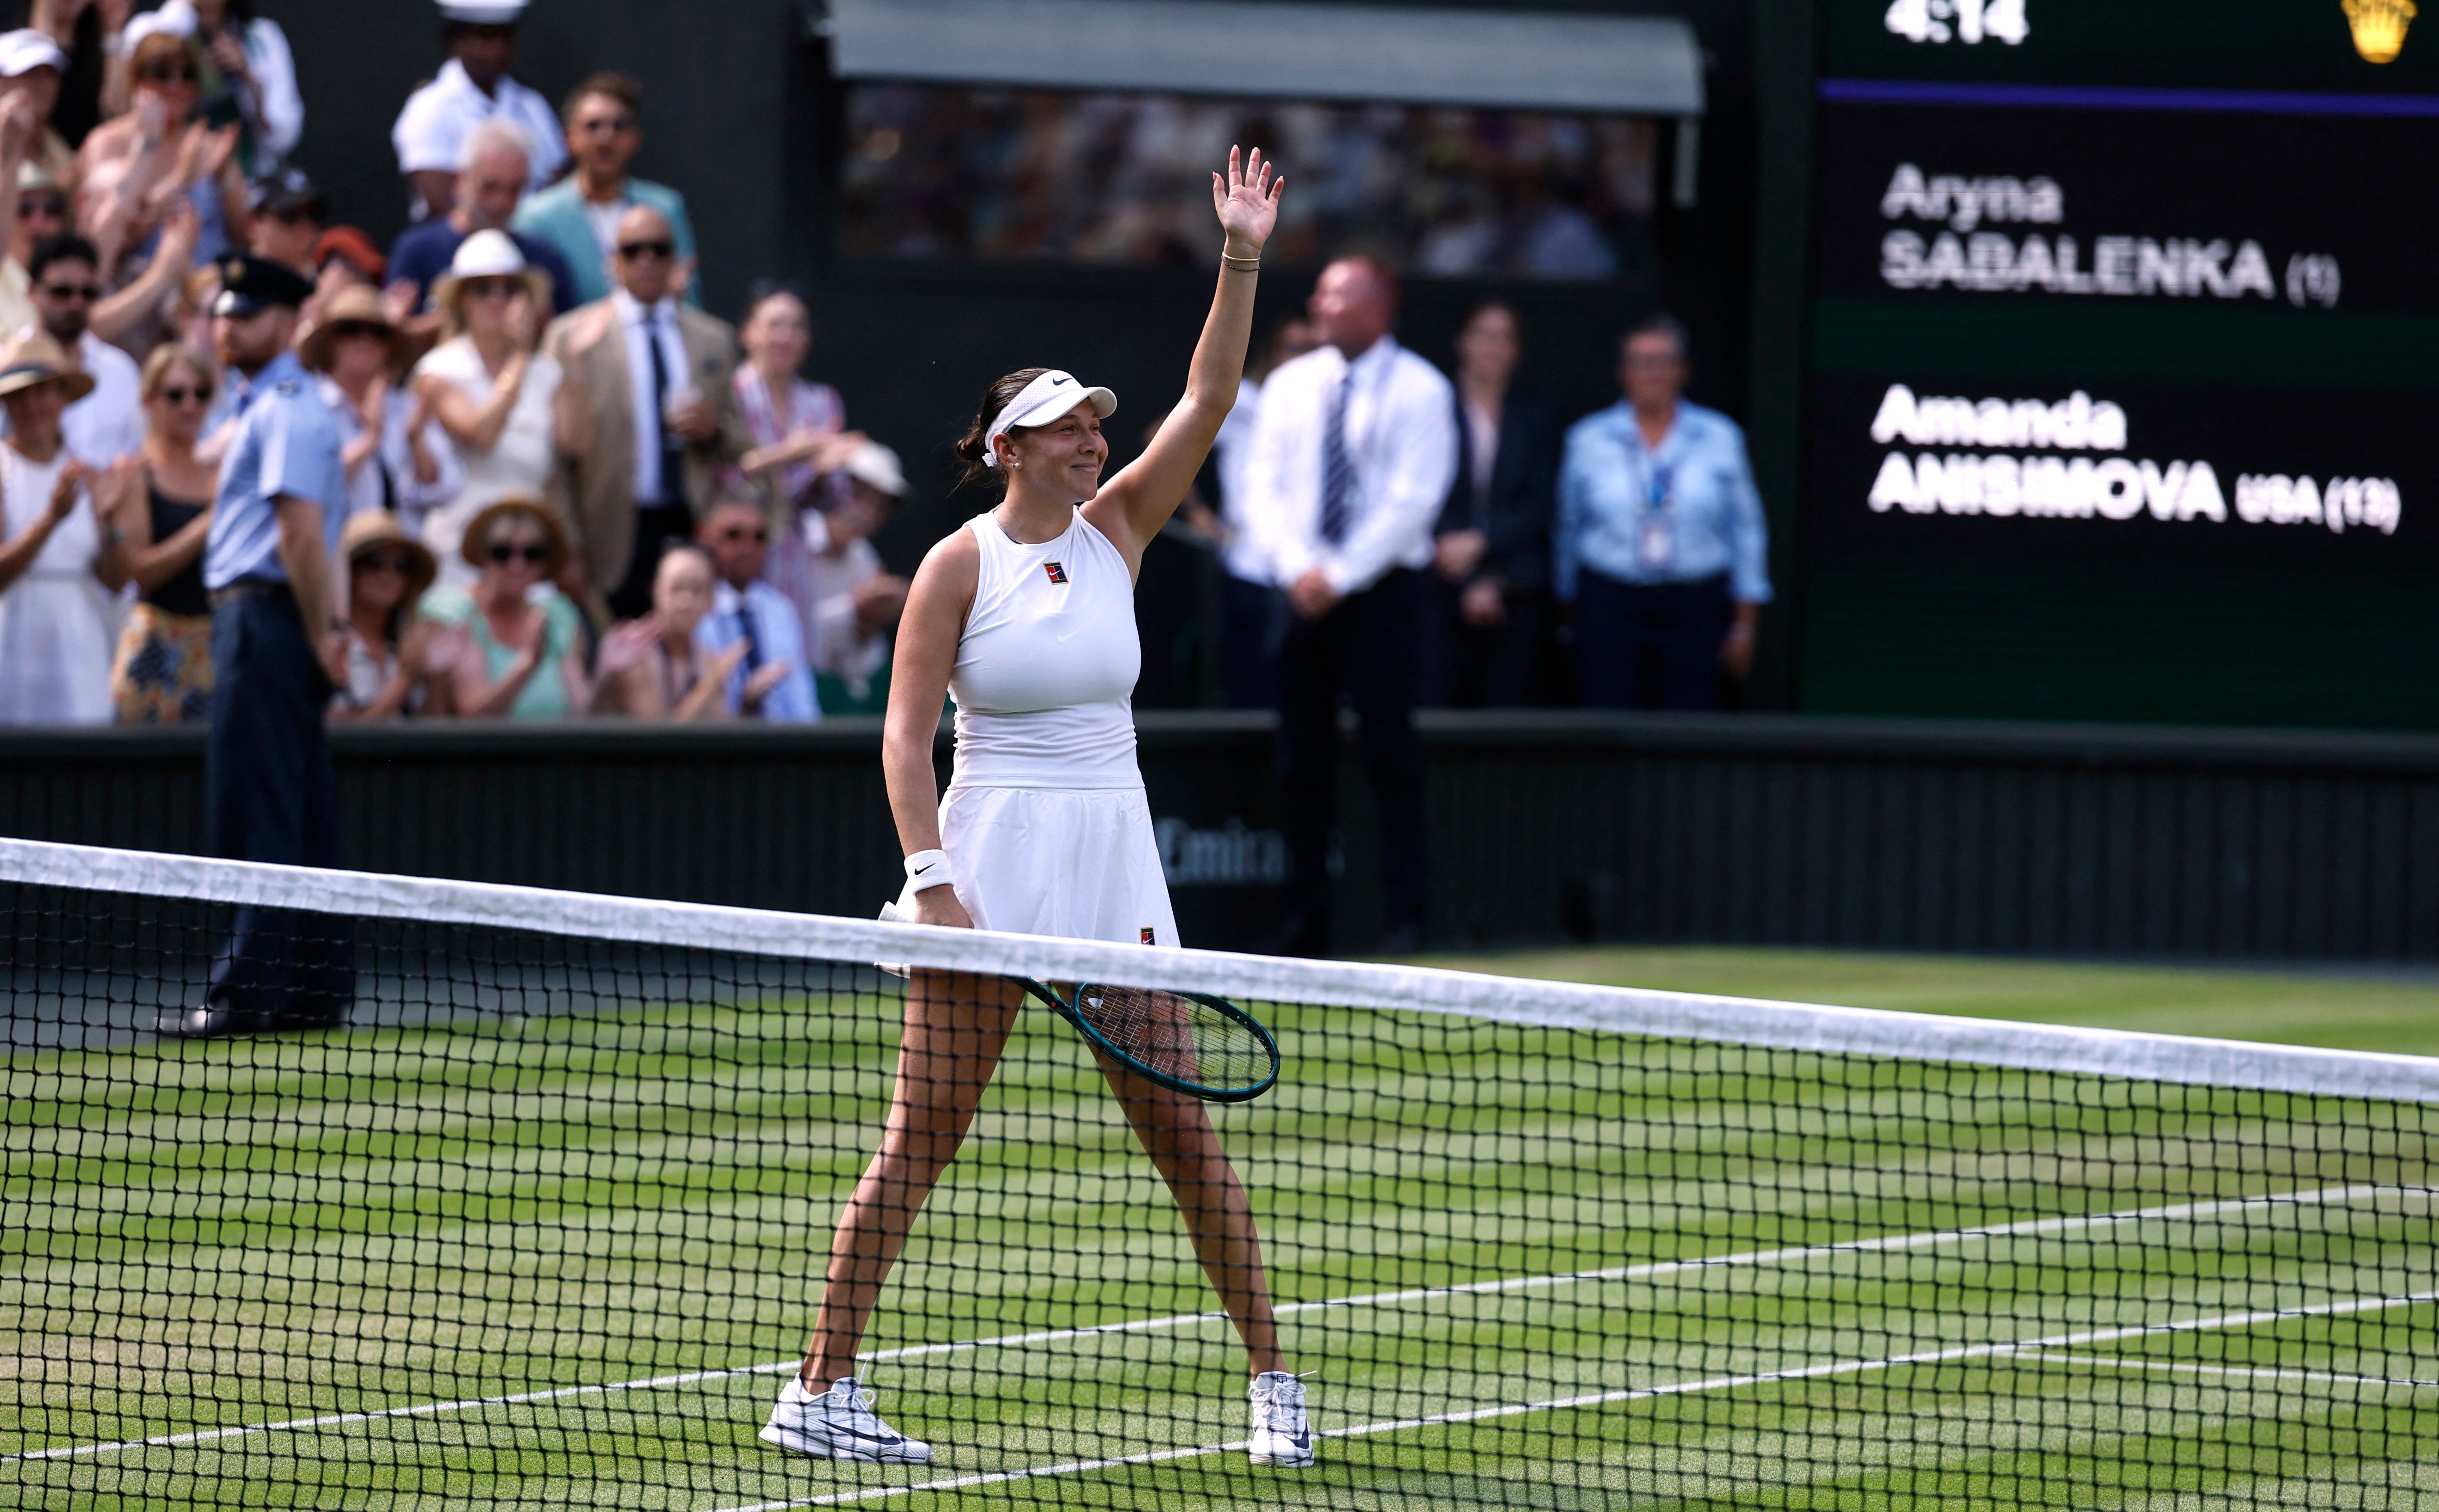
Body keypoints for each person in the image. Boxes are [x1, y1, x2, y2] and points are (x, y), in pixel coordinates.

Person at [763, 148, 1311, 1473]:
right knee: (919, 1142)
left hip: (1111, 867)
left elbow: (1212, 392)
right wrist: (934, 876)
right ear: (1010, 447)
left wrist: (1238, 253)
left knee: (1183, 1137)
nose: (1094, 438)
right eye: (1068, 426)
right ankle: (817, 1391)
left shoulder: (1119, 528)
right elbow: (903, 737)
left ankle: (1275, 1384)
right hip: (985, 864)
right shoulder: (954, 566)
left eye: (1095, 426)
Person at [1241, 254, 1455, 957]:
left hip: (1383, 595)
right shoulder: (1291, 384)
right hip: (1298, 593)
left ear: (1377, 307)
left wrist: (1339, 574)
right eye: (1321, 295)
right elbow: (1262, 485)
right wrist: (1299, 568)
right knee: (1299, 762)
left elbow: (1412, 501)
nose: (1320, 306)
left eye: (1336, 296)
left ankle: (1408, 919)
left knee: (1391, 755)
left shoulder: (1422, 389)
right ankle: (1304, 922)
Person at [163, 254, 352, 1038]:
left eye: (245, 313)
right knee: (296, 807)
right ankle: (309, 986)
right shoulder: (263, 404)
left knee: (259, 810)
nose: (227, 326)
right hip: (273, 620)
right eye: (223, 313)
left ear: (285, 320)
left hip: (267, 619)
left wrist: (324, 633)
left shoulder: (284, 407)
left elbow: (302, 537)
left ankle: (250, 992)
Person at [544, 203, 748, 621]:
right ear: (613, 261)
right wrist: (567, 546)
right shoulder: (572, 337)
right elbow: (555, 456)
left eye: (658, 249)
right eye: (633, 250)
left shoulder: (713, 339)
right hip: (610, 529)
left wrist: (714, 430)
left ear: (675, 258)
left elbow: (742, 442)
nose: (646, 260)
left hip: (691, 522)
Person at [1555, 315, 1770, 710]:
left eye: (1662, 362)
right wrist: (1569, 617)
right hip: (1611, 605)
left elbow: (1747, 530)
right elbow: (1566, 530)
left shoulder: (1720, 437)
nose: (1651, 374)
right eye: (1640, 362)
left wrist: (1744, 627)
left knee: (1690, 731)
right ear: (1623, 372)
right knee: (1606, 725)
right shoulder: (1588, 439)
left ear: (1682, 371)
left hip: (1696, 607)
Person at [408, 230, 578, 587]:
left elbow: (576, 444)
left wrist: (565, 352)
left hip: (529, 556)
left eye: (511, 289)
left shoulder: (548, 372)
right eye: (483, 288)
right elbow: (481, 435)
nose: (497, 299)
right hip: (458, 559)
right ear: (463, 300)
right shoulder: (438, 370)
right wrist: (520, 357)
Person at [1420, 300, 1557, 708]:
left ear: (1517, 349)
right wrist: (1465, 576)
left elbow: (1539, 502)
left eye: (1504, 338)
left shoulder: (1533, 415)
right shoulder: (1431, 407)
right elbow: (1417, 492)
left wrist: (1482, 543)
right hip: (1437, 579)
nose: (1492, 347)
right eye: (1483, 334)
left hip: (1515, 583)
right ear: (1462, 341)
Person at [0, 330, 120, 723]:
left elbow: (114, 579)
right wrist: (53, 518)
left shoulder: (85, 474)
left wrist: (111, 522)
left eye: (42, 392)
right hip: (13, 646)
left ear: (63, 396)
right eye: (18, 395)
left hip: (78, 647)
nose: (31, 405)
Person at [510, 72, 700, 309]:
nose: (606, 138)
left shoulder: (665, 208)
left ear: (636, 137)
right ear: (568, 138)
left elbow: (691, 306)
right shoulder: (535, 219)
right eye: (593, 126)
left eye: (619, 126)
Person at [1202, 314, 1315, 710]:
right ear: (1274, 353)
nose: (1302, 360)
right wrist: (1200, 513)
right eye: (1294, 349)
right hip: (1250, 566)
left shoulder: (1331, 408)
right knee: (1250, 691)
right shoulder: (1244, 400)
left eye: (1312, 351)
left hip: (1311, 574)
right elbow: (1163, 436)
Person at [102, 341, 218, 723]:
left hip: (212, 642)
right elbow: (141, 570)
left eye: (200, 394)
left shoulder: (219, 475)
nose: (190, 406)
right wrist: (209, 522)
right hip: (156, 639)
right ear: (149, 401)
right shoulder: (137, 476)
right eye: (175, 394)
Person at [416, 495, 614, 718]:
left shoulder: (556, 615)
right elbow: (473, 719)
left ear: (544, 564)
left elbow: (581, 709)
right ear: (482, 557)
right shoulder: (454, 613)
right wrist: (527, 665)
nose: (517, 565)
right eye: (502, 553)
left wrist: (608, 675)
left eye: (532, 554)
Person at [77, 29, 246, 273]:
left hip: (208, 282)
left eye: (186, 75)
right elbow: (109, 240)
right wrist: (180, 177)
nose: (176, 86)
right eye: (162, 74)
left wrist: (224, 178)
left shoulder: (209, 145)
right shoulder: (107, 143)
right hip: (137, 285)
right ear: (136, 80)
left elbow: (245, 236)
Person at [300, 283, 460, 541]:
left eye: (378, 333)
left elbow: (448, 489)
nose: (366, 341)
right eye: (352, 330)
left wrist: (416, 442)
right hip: (333, 558)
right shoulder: (306, 406)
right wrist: (369, 441)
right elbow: (308, 489)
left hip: (399, 563)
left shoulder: (407, 407)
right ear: (330, 340)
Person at [383, 119, 576, 322]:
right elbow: (397, 335)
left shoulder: (543, 262)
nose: (501, 202)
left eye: (514, 189)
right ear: (460, 180)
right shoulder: (417, 252)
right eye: (490, 187)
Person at [390, 0, 564, 222]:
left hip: (529, 244)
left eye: (503, 38)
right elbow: (439, 199)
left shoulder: (533, 106)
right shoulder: (429, 107)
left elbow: (555, 185)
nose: (495, 50)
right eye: (484, 38)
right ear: (457, 41)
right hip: (455, 247)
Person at [769, 437, 906, 716]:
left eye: (879, 504)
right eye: (859, 495)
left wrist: (868, 621)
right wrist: (855, 612)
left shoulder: (863, 556)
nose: (867, 513)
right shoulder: (788, 544)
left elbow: (867, 661)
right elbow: (786, 636)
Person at [727, 279, 854, 516]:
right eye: (775, 325)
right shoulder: (729, 394)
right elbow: (720, 480)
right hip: (742, 543)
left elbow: (836, 498)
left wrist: (828, 470)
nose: (786, 338)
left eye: (797, 327)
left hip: (800, 547)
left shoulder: (823, 400)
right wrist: (788, 454)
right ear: (747, 334)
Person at [692, 495, 818, 721]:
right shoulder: (693, 610)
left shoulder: (781, 610)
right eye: (733, 535)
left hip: (786, 748)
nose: (747, 548)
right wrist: (745, 702)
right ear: (707, 537)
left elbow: (804, 704)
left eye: (759, 537)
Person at [25, 231, 141, 466]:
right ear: (32, 293)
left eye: (88, 293)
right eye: (62, 292)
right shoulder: (7, 367)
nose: (76, 304)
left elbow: (134, 457)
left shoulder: (121, 371)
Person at [590, 541, 739, 721]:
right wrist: (709, 687)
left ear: (711, 601)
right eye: (676, 588)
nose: (686, 602)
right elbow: (656, 740)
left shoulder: (708, 659)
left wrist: (748, 701)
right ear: (656, 590)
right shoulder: (632, 648)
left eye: (697, 590)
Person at [327, 507, 438, 721]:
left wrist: (437, 678)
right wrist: (404, 680)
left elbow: (433, 726)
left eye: (402, 566)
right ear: (350, 572)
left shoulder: (406, 646)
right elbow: (337, 735)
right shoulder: (328, 644)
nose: (388, 575)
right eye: (374, 563)